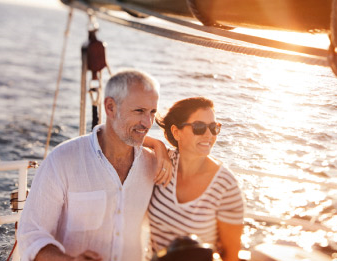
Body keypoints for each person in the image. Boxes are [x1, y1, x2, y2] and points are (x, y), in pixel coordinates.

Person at [17, 69, 173, 261]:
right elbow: (30, 233)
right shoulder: (62, 160)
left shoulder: (153, 164)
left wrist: (160, 146)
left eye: (152, 112)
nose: (147, 122)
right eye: (139, 111)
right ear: (110, 107)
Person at [148, 97, 244, 261]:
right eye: (199, 127)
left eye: (214, 127)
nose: (209, 135)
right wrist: (157, 145)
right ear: (176, 132)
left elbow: (231, 255)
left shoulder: (226, 186)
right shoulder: (161, 164)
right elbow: (122, 139)